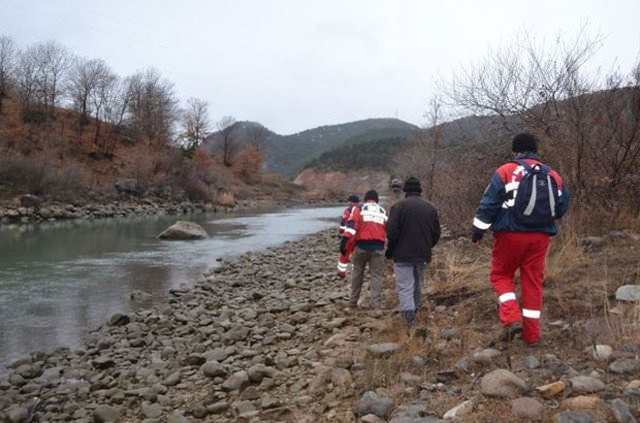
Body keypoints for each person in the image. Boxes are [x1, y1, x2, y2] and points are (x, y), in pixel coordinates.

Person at [471, 132, 569, 345]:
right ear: (536, 151)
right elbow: (561, 208)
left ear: (515, 151)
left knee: (500, 275)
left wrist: (478, 229)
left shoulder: (506, 171)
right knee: (533, 283)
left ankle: (511, 317)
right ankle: (532, 336)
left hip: (510, 235)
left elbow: (489, 204)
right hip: (541, 237)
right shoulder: (553, 175)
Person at [385, 177, 441, 339]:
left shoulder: (398, 207)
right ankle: (414, 310)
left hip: (402, 254)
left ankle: (409, 318)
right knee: (417, 284)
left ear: (405, 191)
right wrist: (427, 246)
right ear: (420, 190)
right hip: (422, 253)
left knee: (405, 286)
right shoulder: (430, 208)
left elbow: (392, 232)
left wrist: (391, 250)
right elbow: (436, 233)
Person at [341, 190, 387, 309]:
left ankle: (353, 302)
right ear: (377, 200)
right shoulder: (383, 211)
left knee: (357, 273)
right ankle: (375, 305)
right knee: (376, 276)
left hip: (361, 246)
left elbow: (352, 226)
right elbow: (388, 229)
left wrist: (344, 241)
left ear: (365, 199)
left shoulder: (359, 209)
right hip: (378, 247)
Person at [336, 194, 360, 278]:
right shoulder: (361, 209)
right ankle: (355, 272)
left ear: (351, 202)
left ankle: (341, 272)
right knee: (356, 255)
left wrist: (341, 233)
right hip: (359, 236)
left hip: (349, 235)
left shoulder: (348, 210)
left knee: (345, 252)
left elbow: (343, 223)